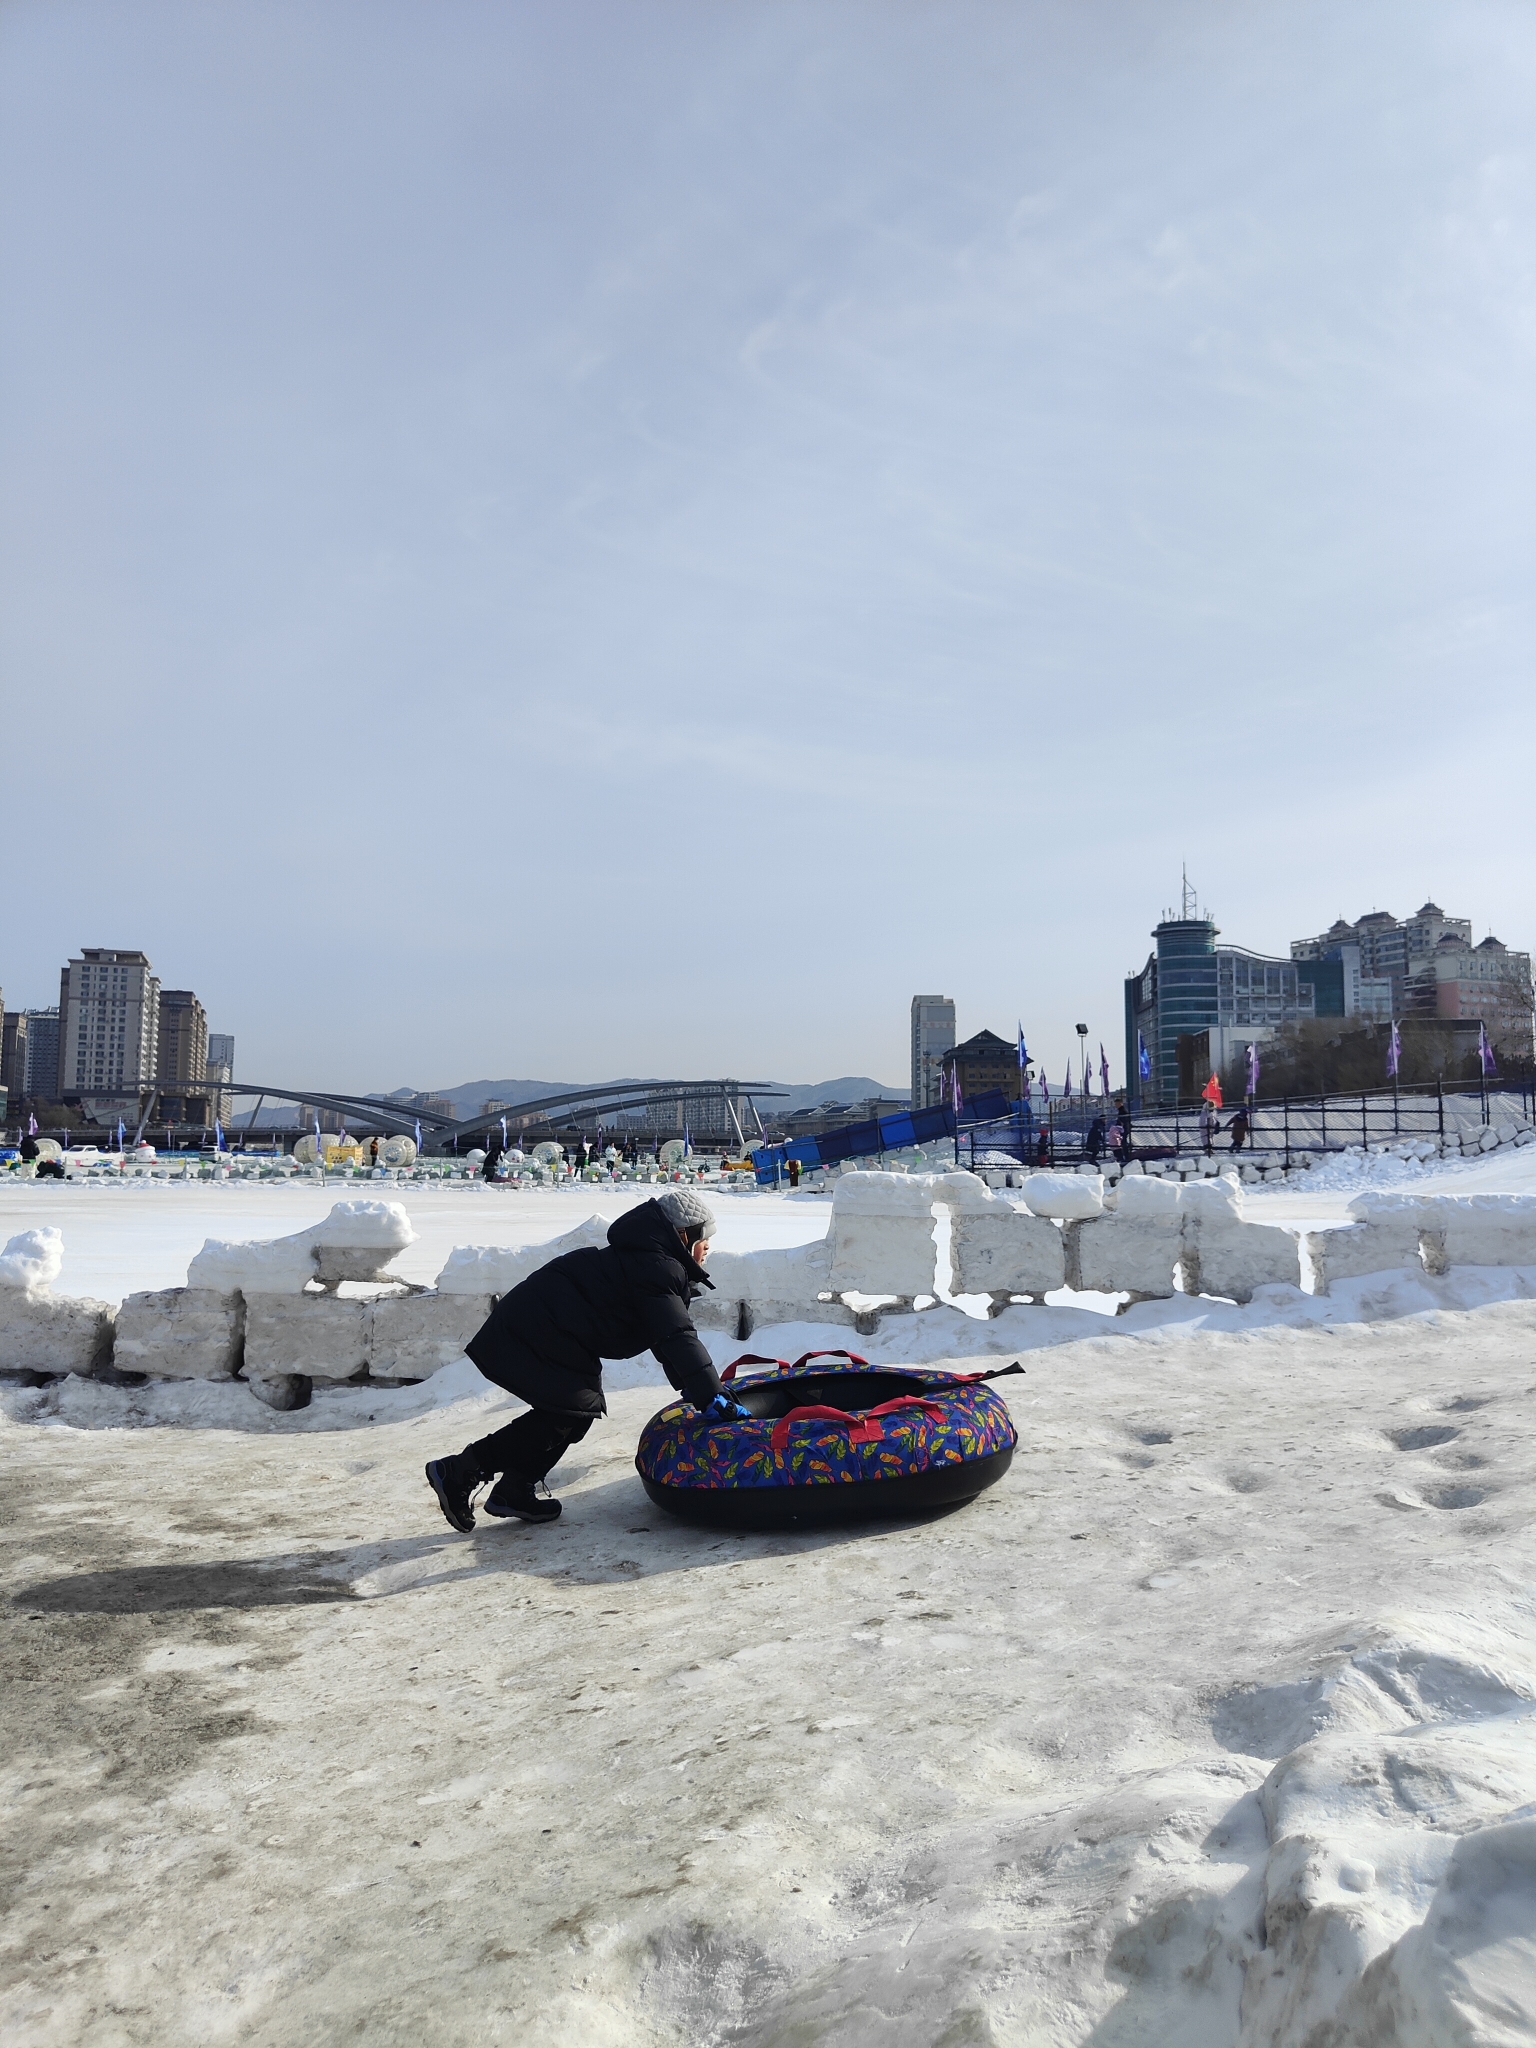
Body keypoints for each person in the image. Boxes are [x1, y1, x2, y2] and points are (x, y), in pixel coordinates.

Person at [425, 1191, 744, 1530]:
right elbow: (678, 1336)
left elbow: (663, 1335)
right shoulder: (657, 1267)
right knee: (563, 1414)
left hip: (553, 1330)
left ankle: (514, 1489)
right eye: (703, 1237)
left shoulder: (653, 1261)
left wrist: (699, 1390)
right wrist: (711, 1394)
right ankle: (459, 1470)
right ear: (682, 1236)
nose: (708, 1246)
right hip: (540, 1328)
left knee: (574, 1414)